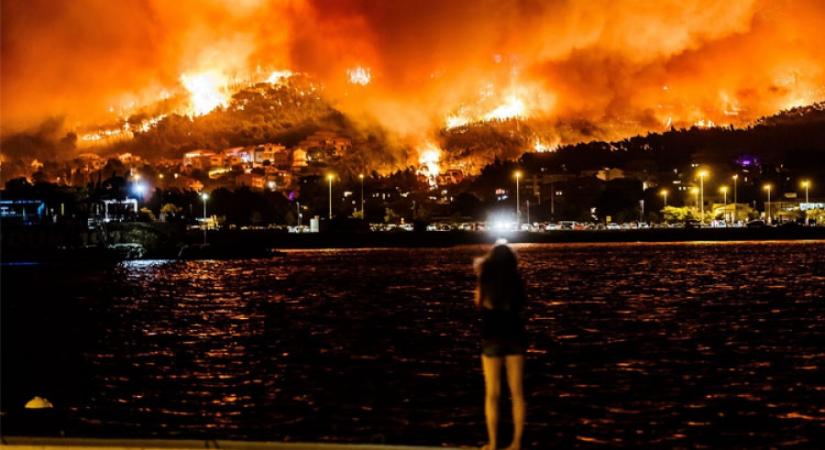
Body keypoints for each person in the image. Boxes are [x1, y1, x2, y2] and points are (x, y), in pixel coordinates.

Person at [475, 241, 527, 450]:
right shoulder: (516, 280)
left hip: (491, 335)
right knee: (517, 393)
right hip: (515, 334)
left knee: (492, 393)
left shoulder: (485, 278)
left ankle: (494, 443)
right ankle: (516, 443)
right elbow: (521, 303)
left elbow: (479, 303)